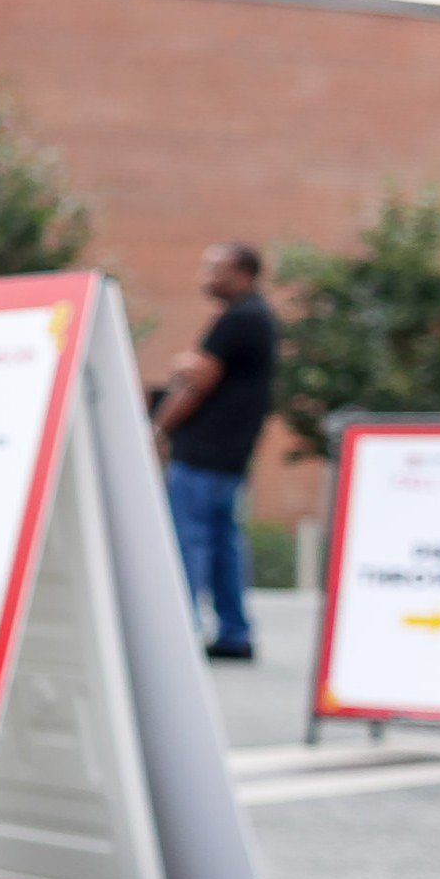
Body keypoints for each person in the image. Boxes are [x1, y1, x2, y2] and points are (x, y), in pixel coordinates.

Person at [154, 240, 278, 660]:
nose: (206, 277)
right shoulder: (259, 317)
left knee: (190, 540)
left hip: (204, 453)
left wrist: (158, 428)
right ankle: (233, 632)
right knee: (224, 542)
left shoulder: (238, 320)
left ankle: (179, 637)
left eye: (215, 269)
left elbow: (197, 380)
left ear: (243, 272)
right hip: (230, 455)